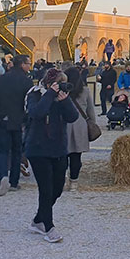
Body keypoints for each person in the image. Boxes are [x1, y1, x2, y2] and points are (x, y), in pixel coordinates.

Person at [24, 68, 79, 242]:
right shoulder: (35, 94)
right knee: (46, 189)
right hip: (38, 148)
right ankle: (48, 227)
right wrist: (49, 94)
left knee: (57, 188)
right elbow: (36, 113)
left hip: (59, 148)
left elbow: (72, 117)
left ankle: (38, 219)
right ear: (48, 83)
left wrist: (65, 101)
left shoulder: (61, 97)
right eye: (58, 83)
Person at [0, 54, 34, 196]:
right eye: (28, 63)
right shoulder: (27, 81)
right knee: (17, 151)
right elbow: (30, 102)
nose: (30, 66)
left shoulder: (2, 79)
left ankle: (3, 176)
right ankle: (14, 182)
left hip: (3, 118)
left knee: (3, 150)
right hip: (19, 119)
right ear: (22, 64)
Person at [63, 67, 95, 192]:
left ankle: (64, 179)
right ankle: (74, 182)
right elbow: (90, 111)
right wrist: (92, 124)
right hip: (80, 124)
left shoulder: (63, 91)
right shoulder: (85, 91)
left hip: (64, 123)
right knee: (76, 156)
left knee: (63, 155)